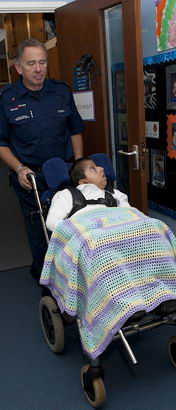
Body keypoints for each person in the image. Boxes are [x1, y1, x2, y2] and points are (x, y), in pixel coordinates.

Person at [0, 38, 84, 281]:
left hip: (64, 174)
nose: (38, 69)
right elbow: (2, 142)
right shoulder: (7, 98)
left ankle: (72, 279)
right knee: (39, 231)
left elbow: (75, 129)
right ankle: (46, 280)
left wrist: (78, 163)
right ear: (18, 67)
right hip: (31, 178)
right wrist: (18, 169)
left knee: (69, 225)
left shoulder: (61, 91)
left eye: (42, 62)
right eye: (31, 64)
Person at [46, 158, 130, 232]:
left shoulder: (115, 194)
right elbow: (52, 223)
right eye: (93, 169)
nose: (101, 168)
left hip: (116, 237)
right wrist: (83, 229)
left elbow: (130, 216)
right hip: (83, 241)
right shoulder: (66, 194)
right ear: (83, 182)